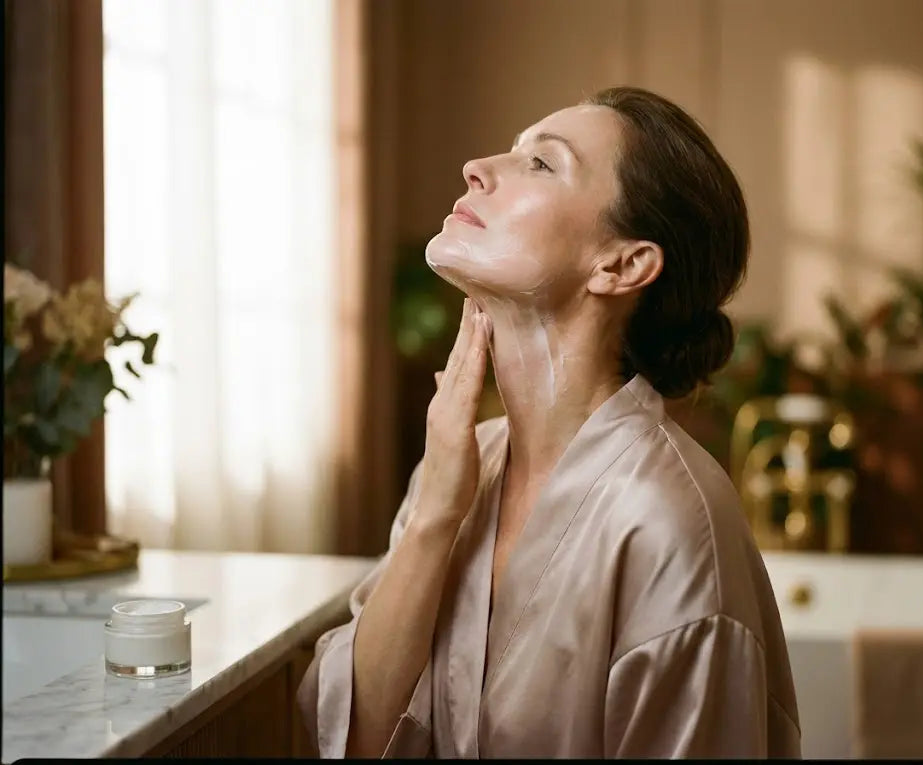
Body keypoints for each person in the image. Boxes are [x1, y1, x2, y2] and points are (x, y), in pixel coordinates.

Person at [298, 86, 800, 758]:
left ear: (622, 263)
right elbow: (346, 739)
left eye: (541, 163)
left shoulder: (671, 523)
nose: (478, 167)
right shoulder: (457, 469)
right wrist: (433, 520)